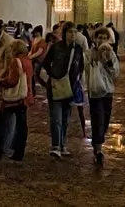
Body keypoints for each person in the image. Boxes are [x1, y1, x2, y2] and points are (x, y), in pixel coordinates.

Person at [40, 21, 84, 157]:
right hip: (55, 86)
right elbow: (45, 63)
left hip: (69, 88)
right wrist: (54, 75)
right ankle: (55, 146)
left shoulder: (77, 49)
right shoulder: (56, 47)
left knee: (65, 118)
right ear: (65, 33)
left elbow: (80, 67)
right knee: (56, 118)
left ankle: (63, 144)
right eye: (70, 32)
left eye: (75, 32)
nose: (73, 35)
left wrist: (77, 81)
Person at [0, 39, 34, 162]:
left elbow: (12, 81)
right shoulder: (28, 61)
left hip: (12, 99)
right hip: (24, 97)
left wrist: (0, 82)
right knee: (22, 127)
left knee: (1, 125)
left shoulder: (15, 61)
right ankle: (19, 153)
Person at [83, 27, 120, 164]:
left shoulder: (111, 54)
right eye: (99, 38)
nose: (102, 40)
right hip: (95, 92)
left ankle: (98, 140)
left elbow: (115, 73)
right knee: (97, 118)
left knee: (105, 119)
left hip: (108, 91)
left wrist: (107, 61)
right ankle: (98, 148)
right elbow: (85, 71)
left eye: (105, 38)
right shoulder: (88, 54)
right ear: (95, 39)